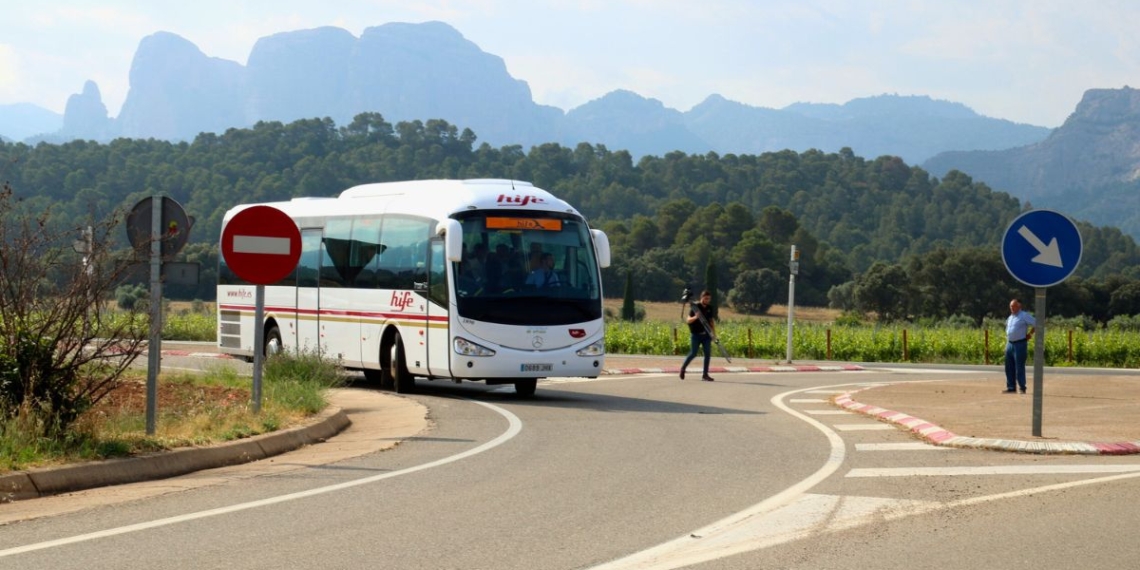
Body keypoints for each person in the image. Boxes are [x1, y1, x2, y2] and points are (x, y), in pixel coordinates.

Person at [680, 290, 717, 381]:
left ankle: (705, 374)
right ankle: (683, 368)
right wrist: (696, 317)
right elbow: (688, 320)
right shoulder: (695, 307)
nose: (707, 300)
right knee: (693, 353)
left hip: (706, 335)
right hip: (696, 335)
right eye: (706, 298)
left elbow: (711, 322)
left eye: (709, 299)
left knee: (707, 354)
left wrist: (713, 334)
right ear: (702, 298)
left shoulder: (710, 308)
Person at [1004, 298, 1036, 394]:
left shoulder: (1024, 315)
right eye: (1011, 306)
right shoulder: (1010, 317)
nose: (1012, 308)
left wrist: (1030, 334)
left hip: (1020, 344)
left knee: (1019, 366)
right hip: (1010, 343)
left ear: (1019, 306)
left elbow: (1037, 323)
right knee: (1009, 366)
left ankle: (1022, 387)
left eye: (1014, 306)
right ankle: (1011, 387)